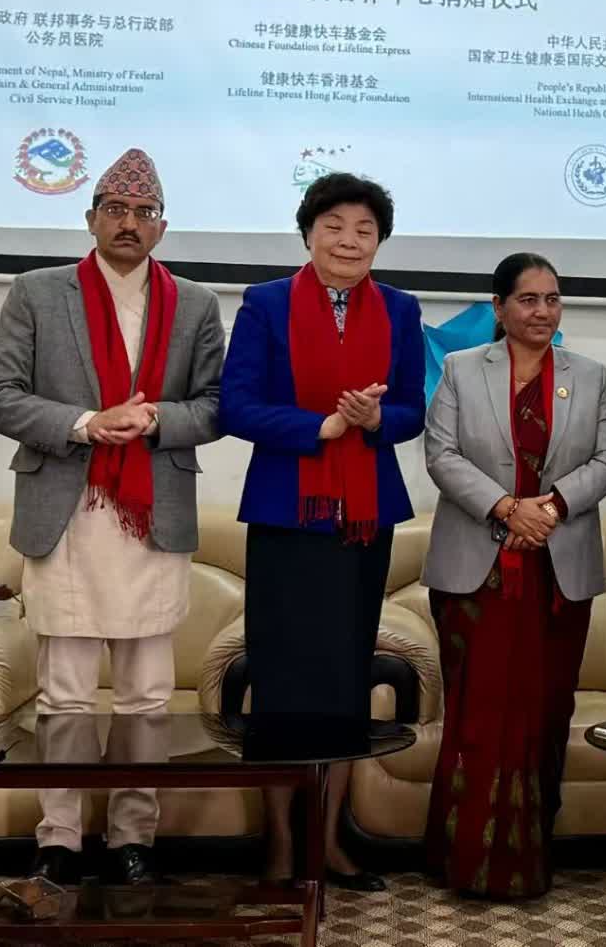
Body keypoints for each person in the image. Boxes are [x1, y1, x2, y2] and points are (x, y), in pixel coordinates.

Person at [0, 148, 225, 886]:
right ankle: (59, 837)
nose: (129, 223)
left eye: (144, 212)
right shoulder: (37, 292)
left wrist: (153, 419)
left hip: (153, 512)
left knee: (146, 693)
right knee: (66, 693)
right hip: (68, 510)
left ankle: (132, 836)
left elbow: (216, 406)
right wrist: (87, 422)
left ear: (162, 228)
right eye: (115, 209)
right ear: (90, 220)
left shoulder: (195, 304)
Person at [220, 172, 426, 892]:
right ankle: (280, 843)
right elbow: (237, 405)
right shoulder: (267, 303)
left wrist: (376, 420)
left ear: (379, 242)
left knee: (344, 684)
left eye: (364, 230)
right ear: (308, 233)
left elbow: (413, 409)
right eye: (334, 225)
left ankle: (330, 840)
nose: (349, 240)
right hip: (288, 515)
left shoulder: (399, 309)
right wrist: (321, 427)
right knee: (280, 685)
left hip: (362, 522)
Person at [422, 253, 606, 899]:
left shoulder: (589, 376)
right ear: (500, 307)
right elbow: (441, 455)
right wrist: (508, 508)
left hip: (557, 575)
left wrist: (553, 507)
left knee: (544, 711)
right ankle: (464, 857)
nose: (542, 311)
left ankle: (530, 857)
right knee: (478, 714)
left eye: (552, 299)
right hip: (475, 575)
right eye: (528, 299)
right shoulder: (461, 369)